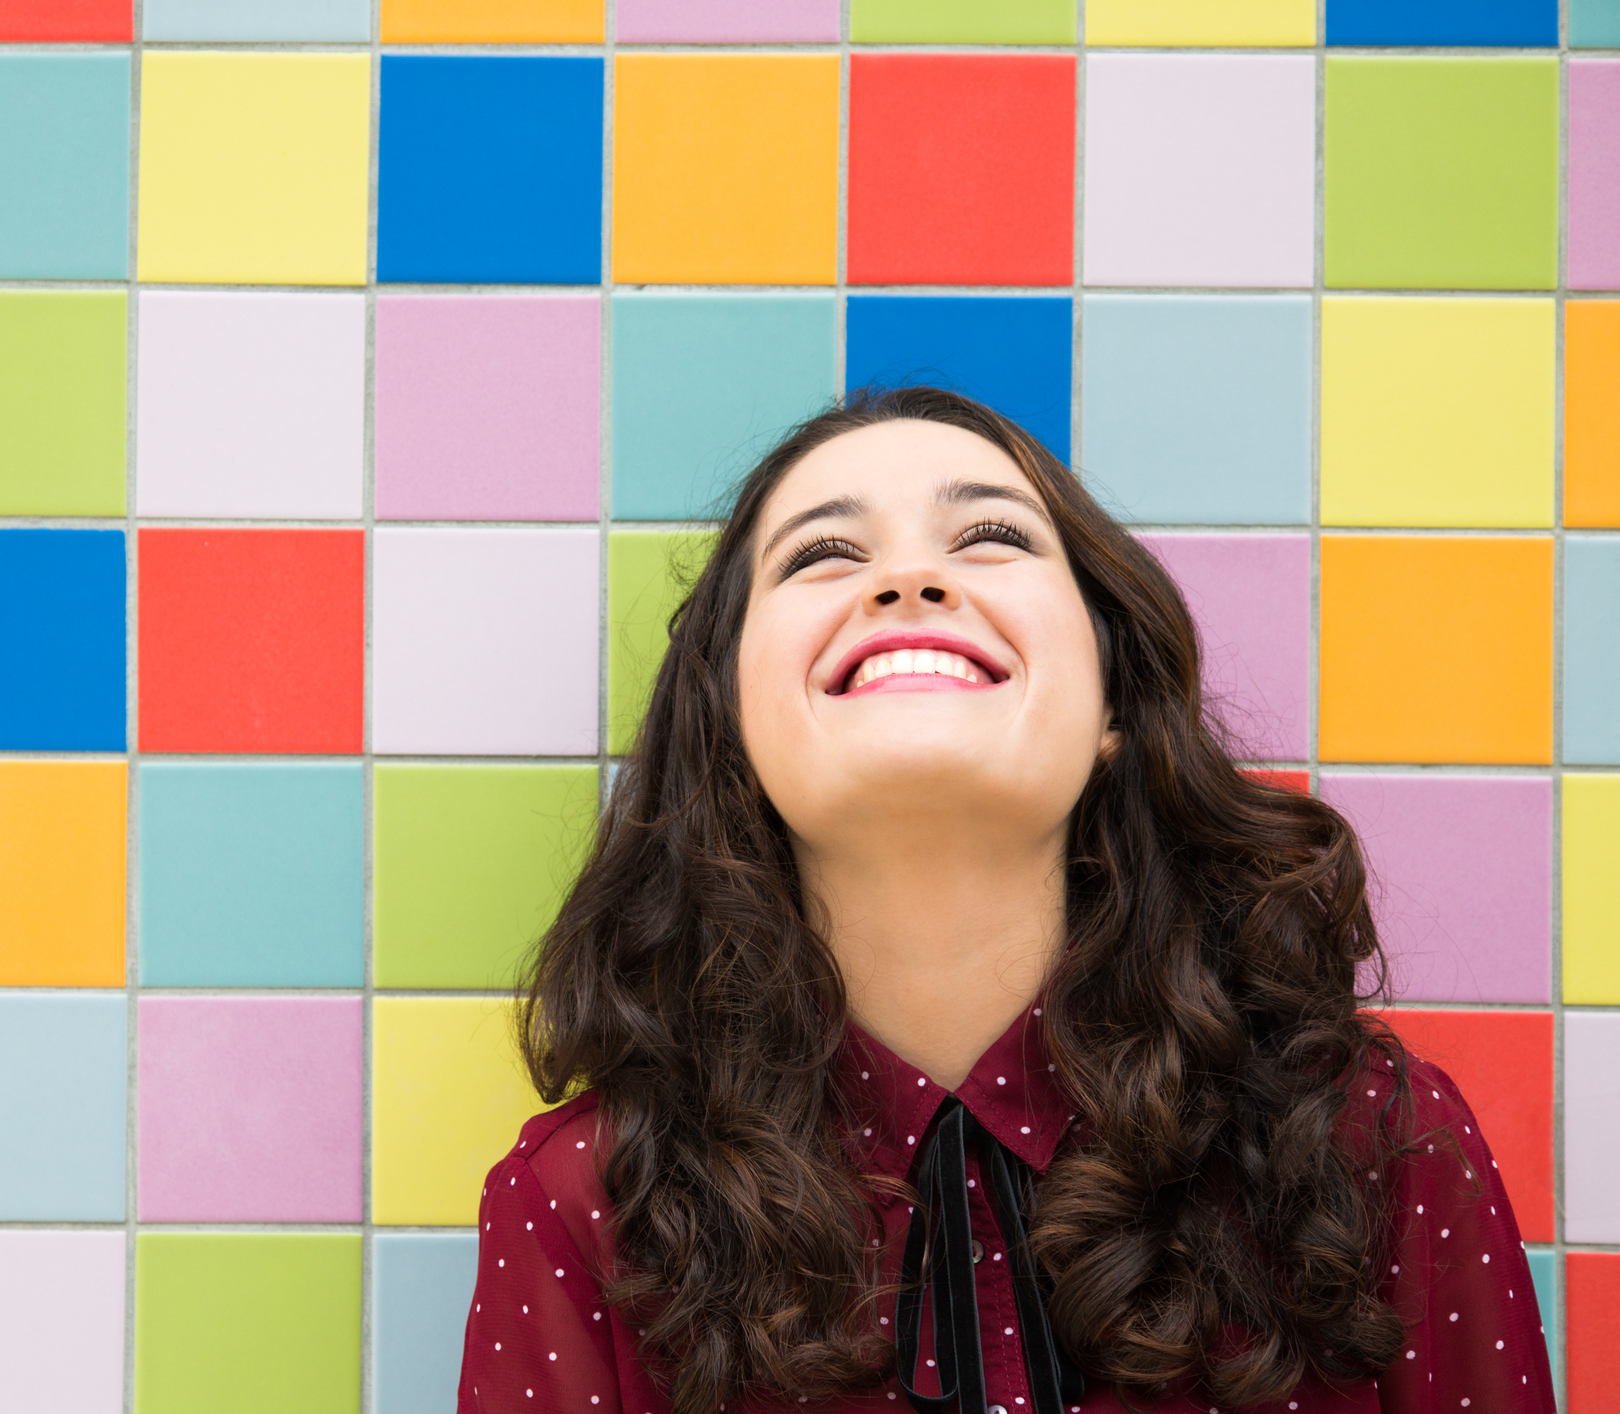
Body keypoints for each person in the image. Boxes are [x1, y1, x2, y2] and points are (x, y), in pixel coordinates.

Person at [458, 388, 1554, 1414]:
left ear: (1114, 700)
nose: (908, 580)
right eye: (825, 554)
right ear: (731, 727)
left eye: (989, 536)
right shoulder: (581, 1203)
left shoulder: (1375, 1143)